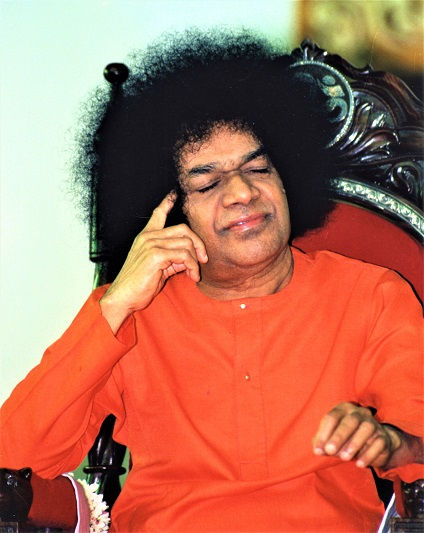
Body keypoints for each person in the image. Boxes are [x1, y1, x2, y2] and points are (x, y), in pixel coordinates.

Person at [0, 30, 423, 532]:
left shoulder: (372, 295)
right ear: (168, 211)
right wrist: (114, 306)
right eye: (208, 183)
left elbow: (417, 447)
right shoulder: (132, 311)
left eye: (258, 168)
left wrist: (391, 443)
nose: (243, 192)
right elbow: (13, 459)